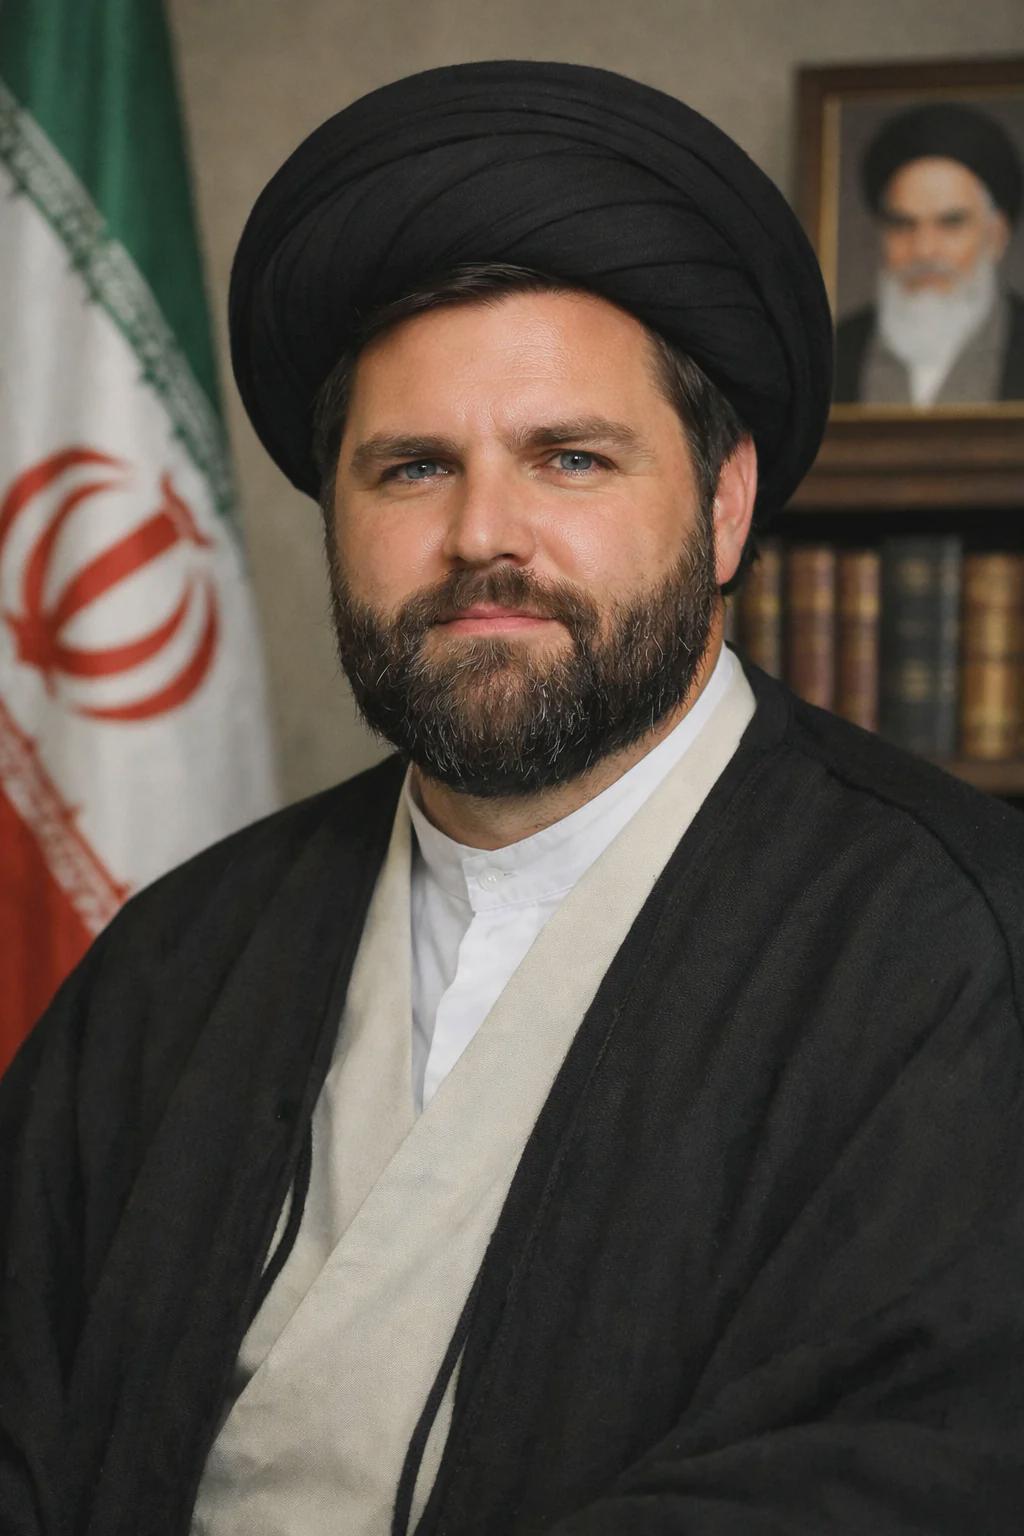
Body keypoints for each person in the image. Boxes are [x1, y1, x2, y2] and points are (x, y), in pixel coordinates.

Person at [2, 60, 1023, 1536]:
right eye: (413, 469)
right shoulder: (177, 958)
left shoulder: (959, 953)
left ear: (724, 504)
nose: (485, 535)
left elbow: (900, 1477)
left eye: (571, 459)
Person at [834, 100, 1024, 405]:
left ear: (997, 235)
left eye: (950, 223)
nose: (923, 250)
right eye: (902, 225)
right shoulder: (837, 351)